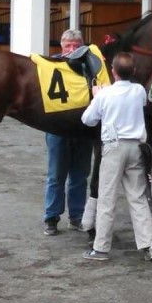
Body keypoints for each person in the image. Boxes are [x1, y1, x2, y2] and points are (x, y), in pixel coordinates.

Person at [81, 51, 152, 262]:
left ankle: (101, 248)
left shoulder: (105, 95)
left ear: (113, 72)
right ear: (132, 71)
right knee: (138, 197)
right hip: (136, 147)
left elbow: (87, 120)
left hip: (114, 147)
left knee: (107, 198)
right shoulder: (139, 91)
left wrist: (97, 96)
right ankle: (149, 245)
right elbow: (140, 103)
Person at [43, 29, 93, 236]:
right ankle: (51, 217)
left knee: (80, 176)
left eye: (76, 46)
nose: (72, 50)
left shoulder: (91, 66)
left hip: (83, 129)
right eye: (67, 46)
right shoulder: (51, 65)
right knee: (56, 175)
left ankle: (77, 216)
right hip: (57, 129)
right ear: (61, 46)